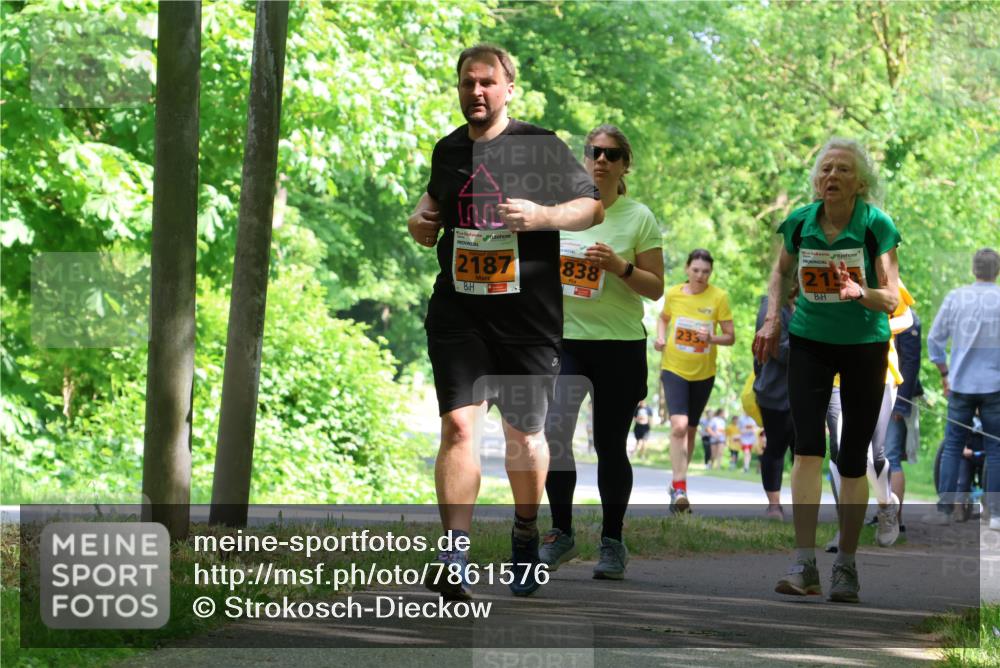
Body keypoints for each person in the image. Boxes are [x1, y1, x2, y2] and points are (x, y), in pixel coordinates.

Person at [409, 44, 604, 599]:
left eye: (487, 82)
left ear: (508, 88)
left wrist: (543, 215)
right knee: (458, 427)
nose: (477, 91)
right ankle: (454, 554)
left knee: (524, 437)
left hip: (527, 319)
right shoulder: (448, 149)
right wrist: (419, 219)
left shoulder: (540, 146)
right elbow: (433, 202)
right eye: (468, 82)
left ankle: (524, 531)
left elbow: (592, 207)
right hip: (459, 311)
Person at [754, 137, 901, 603]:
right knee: (807, 449)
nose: (831, 176)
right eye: (825, 169)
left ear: (860, 183)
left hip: (864, 345)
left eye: (842, 170)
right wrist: (773, 318)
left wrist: (860, 293)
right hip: (811, 341)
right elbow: (780, 272)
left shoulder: (876, 226)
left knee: (853, 457)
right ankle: (803, 563)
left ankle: (846, 566)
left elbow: (891, 299)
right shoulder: (800, 222)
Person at [541, 124, 664, 580]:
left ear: (624, 164)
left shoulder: (639, 217)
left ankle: (612, 542)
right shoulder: (561, 211)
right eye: (594, 152)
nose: (601, 160)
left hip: (618, 344)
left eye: (611, 154)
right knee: (555, 434)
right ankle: (561, 532)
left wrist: (619, 266)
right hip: (566, 341)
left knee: (610, 445)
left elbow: (656, 287)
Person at [654, 249, 735, 512]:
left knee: (689, 430)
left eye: (706, 271)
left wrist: (711, 338)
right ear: (687, 269)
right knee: (678, 426)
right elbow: (663, 318)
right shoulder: (674, 293)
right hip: (674, 368)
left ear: (711, 273)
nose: (700, 275)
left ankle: (677, 484)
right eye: (696, 270)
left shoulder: (719, 297)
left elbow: (730, 336)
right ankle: (680, 488)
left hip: (703, 373)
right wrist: (660, 337)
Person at [926, 248, 1000, 530]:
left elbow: (935, 339)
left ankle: (944, 509)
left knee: (953, 445)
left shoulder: (956, 297)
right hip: (995, 386)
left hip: (960, 384)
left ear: (973, 269)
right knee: (996, 449)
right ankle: (996, 515)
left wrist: (944, 373)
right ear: (997, 272)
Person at [754, 290, 795, 520]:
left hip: (803, 391)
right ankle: (774, 506)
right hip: (775, 391)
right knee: (776, 447)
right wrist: (811, 347)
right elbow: (776, 348)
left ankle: (804, 504)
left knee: (804, 451)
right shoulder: (769, 307)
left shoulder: (804, 305)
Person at [883, 306, 923, 532]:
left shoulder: (907, 317)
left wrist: (901, 403)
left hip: (896, 395)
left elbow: (910, 362)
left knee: (892, 457)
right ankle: (884, 514)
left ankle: (895, 519)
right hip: (880, 393)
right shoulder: (886, 311)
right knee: (879, 458)